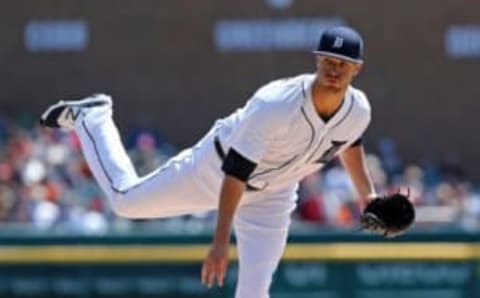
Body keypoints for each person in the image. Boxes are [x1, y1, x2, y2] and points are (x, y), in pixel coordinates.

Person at [40, 26, 376, 298]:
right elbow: (235, 173)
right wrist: (219, 243)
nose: (334, 69)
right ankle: (93, 118)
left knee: (255, 292)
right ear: (316, 60)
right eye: (328, 60)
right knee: (126, 202)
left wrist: (368, 198)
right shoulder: (276, 103)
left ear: (356, 68)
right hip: (214, 172)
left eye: (342, 63)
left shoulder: (358, 110)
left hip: (273, 194)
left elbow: (348, 142)